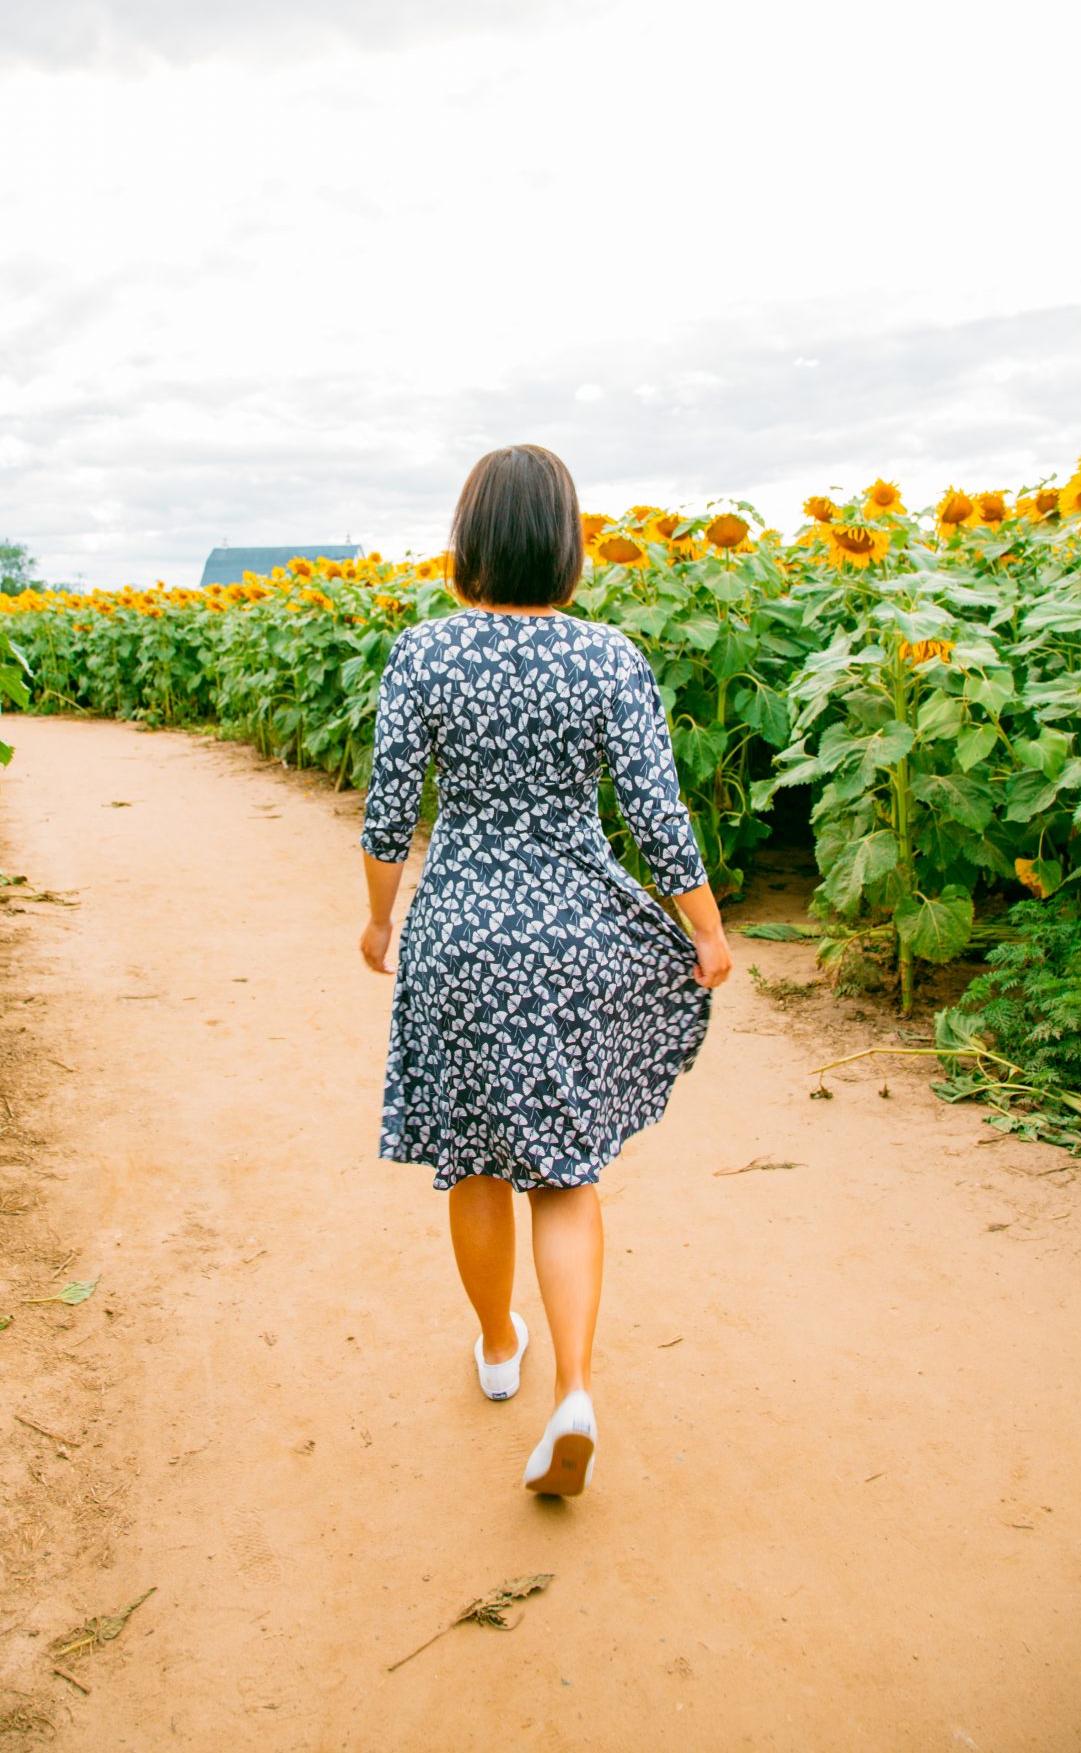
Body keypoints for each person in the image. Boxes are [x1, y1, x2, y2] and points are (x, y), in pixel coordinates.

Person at [358, 443, 733, 1498]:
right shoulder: (609, 656)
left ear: (468, 539)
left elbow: (391, 814)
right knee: (566, 1172)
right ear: (568, 543)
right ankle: (573, 1388)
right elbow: (657, 817)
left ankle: (494, 1344)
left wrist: (380, 922)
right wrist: (704, 928)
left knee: (473, 1157)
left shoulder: (425, 653)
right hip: (574, 931)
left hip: (461, 931)